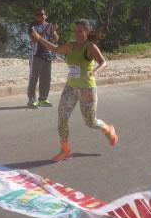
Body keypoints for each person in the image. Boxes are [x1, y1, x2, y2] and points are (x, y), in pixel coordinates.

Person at [30, 19, 117, 162]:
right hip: (70, 87)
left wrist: (95, 72)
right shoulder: (70, 46)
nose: (77, 34)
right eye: (75, 31)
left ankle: (108, 129)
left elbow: (103, 62)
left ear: (87, 32)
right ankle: (65, 150)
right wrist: (39, 39)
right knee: (62, 117)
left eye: (80, 31)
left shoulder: (90, 47)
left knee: (90, 122)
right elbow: (55, 49)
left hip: (87, 89)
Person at [27, 8, 58, 108]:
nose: (40, 16)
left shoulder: (50, 26)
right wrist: (45, 32)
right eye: (38, 14)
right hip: (36, 55)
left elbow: (56, 39)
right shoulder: (32, 26)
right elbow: (35, 38)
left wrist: (54, 32)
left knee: (46, 78)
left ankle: (43, 99)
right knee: (33, 78)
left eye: (42, 14)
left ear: (46, 15)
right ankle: (31, 99)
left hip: (47, 55)